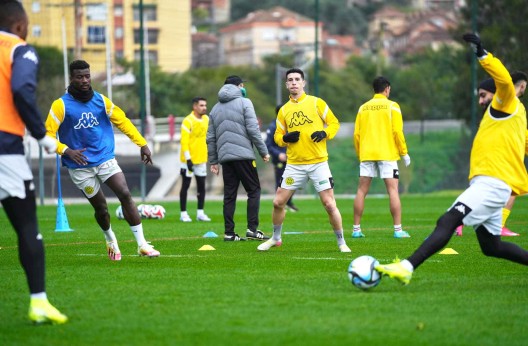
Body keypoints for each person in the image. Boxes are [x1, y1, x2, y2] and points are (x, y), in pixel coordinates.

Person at [376, 33, 528, 285]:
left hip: (492, 183)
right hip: (490, 183)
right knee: (491, 246)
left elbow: (503, 79)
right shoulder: (513, 115)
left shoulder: (505, 102)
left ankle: (406, 266)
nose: (480, 101)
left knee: (447, 220)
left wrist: (482, 53)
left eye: (483, 95)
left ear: (497, 94)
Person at [45, 60, 160, 261]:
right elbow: (47, 136)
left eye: (87, 76)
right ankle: (110, 238)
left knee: (125, 193)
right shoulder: (60, 105)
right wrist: (66, 151)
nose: (84, 80)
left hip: (105, 159)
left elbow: (122, 121)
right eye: (79, 77)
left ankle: (142, 244)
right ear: (71, 78)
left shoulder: (101, 101)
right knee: (102, 209)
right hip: (79, 167)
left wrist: (142, 144)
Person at [0, 0, 67, 324]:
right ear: (19, 25)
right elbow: (21, 91)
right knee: (27, 227)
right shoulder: (19, 49)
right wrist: (41, 135)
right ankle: (39, 302)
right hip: (5, 151)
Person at [257, 68, 351, 253]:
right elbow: (276, 136)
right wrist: (285, 139)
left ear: (303, 83)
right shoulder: (284, 110)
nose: (293, 82)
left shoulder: (317, 103)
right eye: (290, 80)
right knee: (278, 202)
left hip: (318, 163)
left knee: (329, 204)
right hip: (295, 165)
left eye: (297, 79)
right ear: (286, 85)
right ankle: (275, 238)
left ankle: (341, 243)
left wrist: (325, 133)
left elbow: (334, 123)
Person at [455, 71, 527, 237]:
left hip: (495, 163)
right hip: (498, 163)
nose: (480, 101)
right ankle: (460, 220)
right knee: (509, 188)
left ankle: (461, 220)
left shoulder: (506, 108)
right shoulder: (504, 109)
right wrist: (482, 54)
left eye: (483, 96)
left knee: (491, 246)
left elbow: (522, 135)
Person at [207, 75, 271, 241]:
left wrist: (213, 160)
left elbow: (211, 137)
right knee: (254, 190)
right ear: (239, 86)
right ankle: (252, 229)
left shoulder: (214, 108)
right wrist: (263, 151)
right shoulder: (245, 102)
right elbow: (253, 130)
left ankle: (229, 233)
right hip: (243, 156)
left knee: (229, 195)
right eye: (242, 85)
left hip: (226, 158)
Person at [352, 76, 411, 239]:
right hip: (387, 153)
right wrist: (404, 153)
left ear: (373, 90)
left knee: (361, 191)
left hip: (367, 154)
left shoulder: (363, 108)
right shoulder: (393, 106)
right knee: (392, 190)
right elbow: (397, 132)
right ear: (387, 89)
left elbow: (356, 134)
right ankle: (398, 230)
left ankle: (356, 229)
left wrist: (360, 154)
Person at [179, 97, 211, 222]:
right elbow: (184, 141)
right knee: (185, 186)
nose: (204, 108)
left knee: (201, 187)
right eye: (202, 105)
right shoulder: (188, 121)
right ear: (195, 107)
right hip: (188, 160)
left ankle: (200, 213)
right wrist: (188, 159)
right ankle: (183, 213)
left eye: (205, 105)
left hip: (201, 159)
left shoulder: (207, 119)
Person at [265, 104, 298, 212]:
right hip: (280, 161)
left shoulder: (291, 124)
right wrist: (278, 154)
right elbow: (268, 145)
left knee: (291, 181)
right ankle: (281, 204)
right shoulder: (273, 126)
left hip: (292, 159)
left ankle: (288, 202)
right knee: (281, 182)